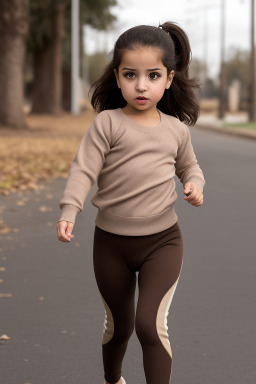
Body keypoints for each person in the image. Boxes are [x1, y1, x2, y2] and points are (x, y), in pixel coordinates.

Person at [57, 21, 205, 384]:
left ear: (168, 79)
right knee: (118, 327)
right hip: (111, 244)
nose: (141, 85)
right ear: (118, 77)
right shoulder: (107, 124)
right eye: (130, 74)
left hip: (162, 241)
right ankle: (113, 379)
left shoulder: (176, 130)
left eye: (153, 75)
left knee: (150, 326)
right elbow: (83, 170)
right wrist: (69, 209)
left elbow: (191, 167)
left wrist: (194, 184)